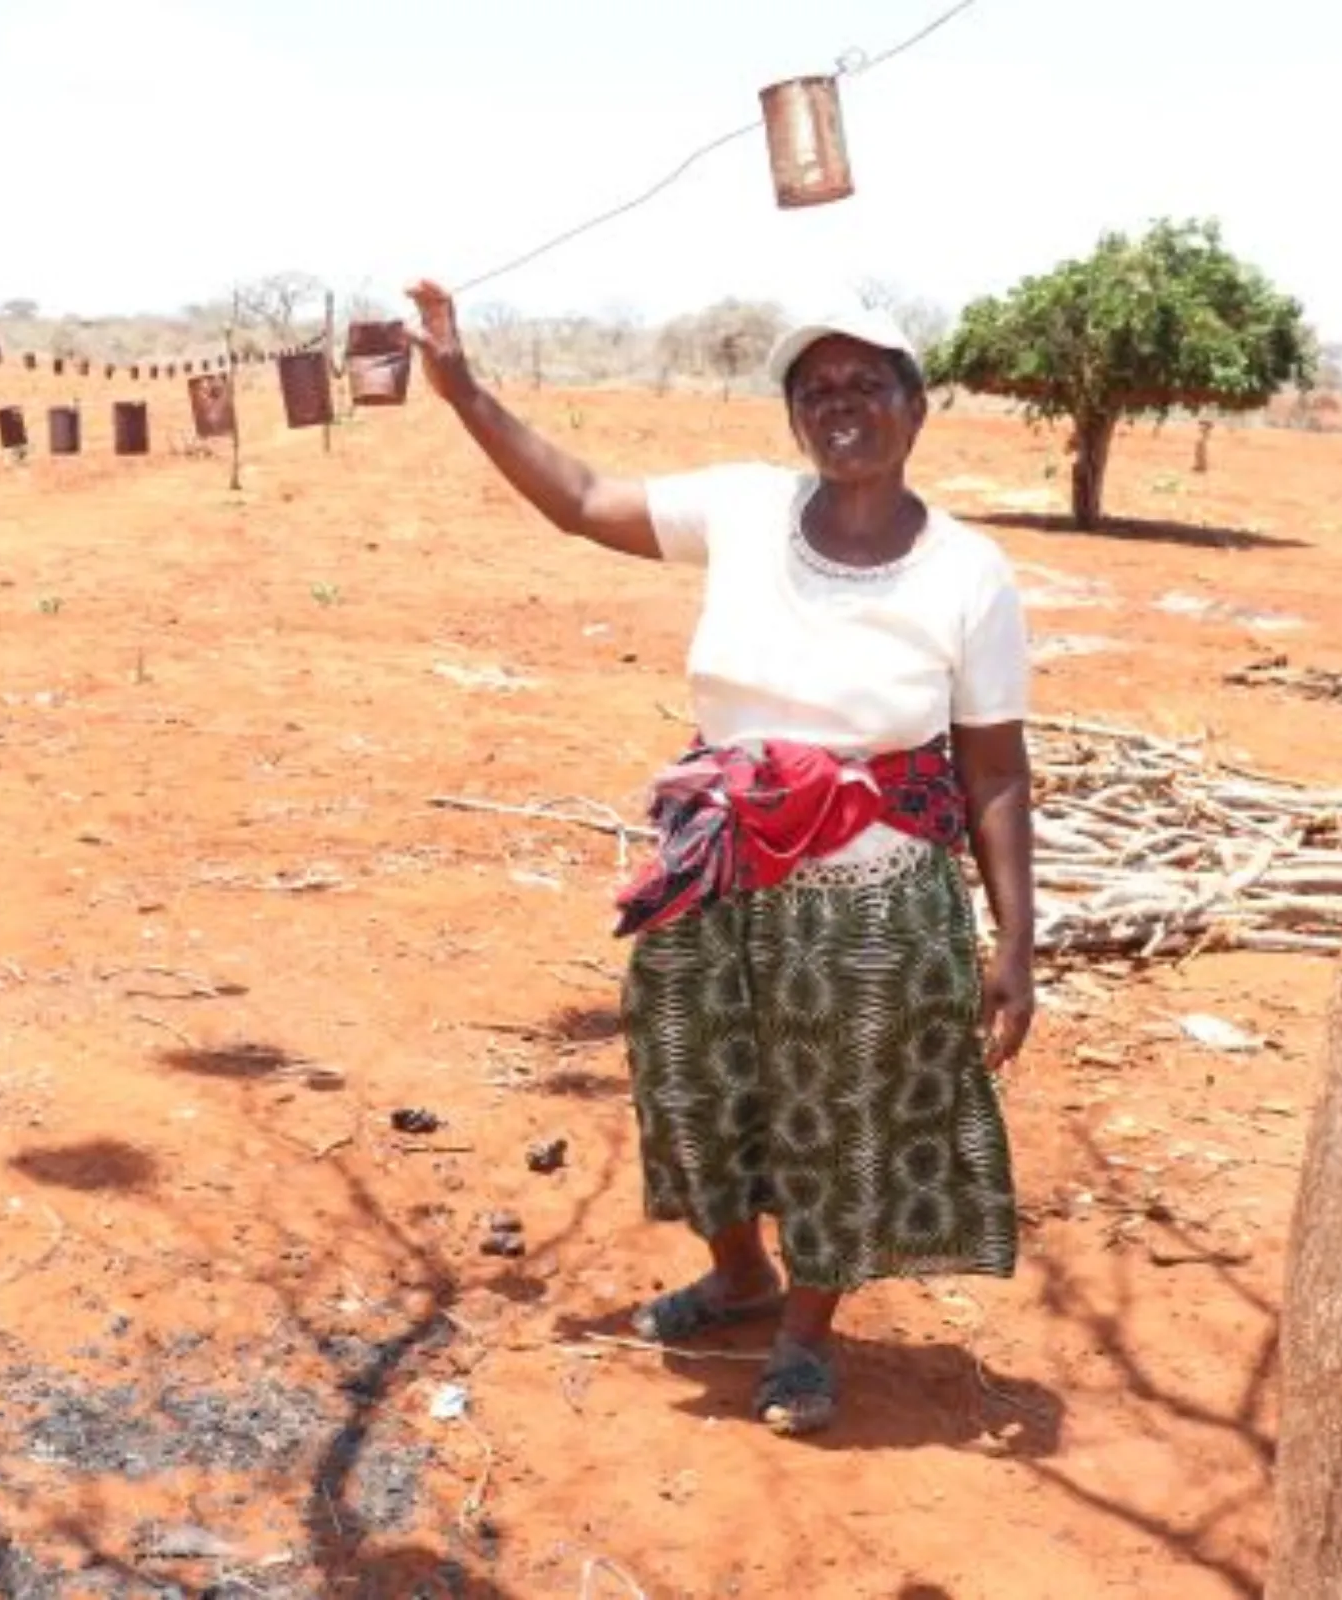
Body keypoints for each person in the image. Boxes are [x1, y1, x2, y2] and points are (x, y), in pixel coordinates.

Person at [404, 281, 1037, 1436]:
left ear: (916, 406)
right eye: (817, 389)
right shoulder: (746, 508)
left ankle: (803, 1334)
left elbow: (994, 767)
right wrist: (464, 392)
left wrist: (1018, 943)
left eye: (866, 383)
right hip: (720, 858)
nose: (842, 404)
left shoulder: (969, 572)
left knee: (839, 1106)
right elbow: (587, 500)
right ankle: (738, 1271)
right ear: (795, 415)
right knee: (693, 1079)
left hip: (875, 893)